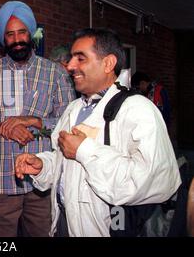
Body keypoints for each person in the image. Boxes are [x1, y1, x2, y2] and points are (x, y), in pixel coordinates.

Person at [15, 28, 181, 236]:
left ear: (108, 64)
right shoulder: (73, 108)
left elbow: (158, 182)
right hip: (66, 223)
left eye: (80, 59)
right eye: (71, 59)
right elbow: (64, 163)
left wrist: (83, 150)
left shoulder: (139, 109)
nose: (70, 66)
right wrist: (42, 166)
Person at [0, 1, 75, 237]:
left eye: (22, 32)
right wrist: (3, 128)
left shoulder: (56, 74)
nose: (17, 40)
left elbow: (69, 122)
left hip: (41, 179)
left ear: (31, 33)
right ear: (3, 39)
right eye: (10, 34)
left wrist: (34, 121)